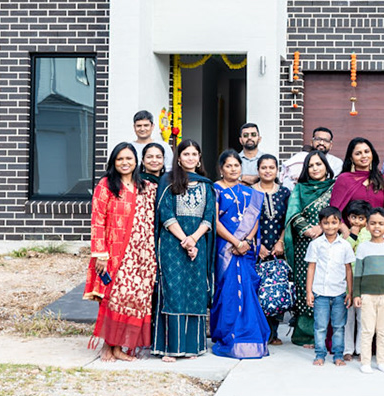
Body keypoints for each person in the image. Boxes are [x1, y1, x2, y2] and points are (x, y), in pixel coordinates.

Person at [86, 143, 153, 360]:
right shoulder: (106, 185)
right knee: (112, 297)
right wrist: (100, 253)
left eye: (129, 158)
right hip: (113, 252)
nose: (125, 163)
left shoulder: (145, 187)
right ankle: (108, 345)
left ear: (136, 161)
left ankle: (120, 347)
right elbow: (97, 220)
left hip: (139, 254)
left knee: (131, 299)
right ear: (113, 162)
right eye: (120, 159)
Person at [154, 141, 217, 357]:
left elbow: (209, 215)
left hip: (198, 245)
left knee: (195, 291)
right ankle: (170, 348)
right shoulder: (168, 181)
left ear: (199, 158)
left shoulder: (206, 185)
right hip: (172, 245)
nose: (190, 158)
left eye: (194, 154)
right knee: (173, 291)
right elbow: (165, 213)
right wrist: (185, 240)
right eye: (186, 154)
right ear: (178, 158)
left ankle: (193, 347)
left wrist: (194, 239)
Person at [209, 152, 268, 358]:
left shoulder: (249, 192)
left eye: (236, 165)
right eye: (228, 166)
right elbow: (215, 222)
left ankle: (248, 334)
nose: (233, 169)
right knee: (227, 290)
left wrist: (247, 241)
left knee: (246, 289)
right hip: (225, 248)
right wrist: (236, 242)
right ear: (221, 169)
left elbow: (255, 220)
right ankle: (227, 333)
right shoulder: (215, 189)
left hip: (245, 249)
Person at [283, 150, 337, 343]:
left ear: (326, 166)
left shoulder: (334, 187)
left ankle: (328, 335)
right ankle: (306, 334)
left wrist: (321, 228)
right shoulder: (300, 188)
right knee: (306, 284)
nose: (315, 168)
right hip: (305, 244)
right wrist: (307, 230)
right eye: (311, 165)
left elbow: (338, 210)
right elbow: (293, 213)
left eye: (318, 164)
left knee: (328, 282)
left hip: (330, 241)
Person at [352, 206, 384, 373]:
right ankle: (365, 362)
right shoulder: (363, 247)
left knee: (382, 331)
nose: (376, 227)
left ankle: (381, 362)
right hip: (367, 296)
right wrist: (357, 294)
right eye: (373, 223)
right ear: (367, 226)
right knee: (367, 330)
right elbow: (358, 274)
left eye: (380, 223)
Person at [303, 207, 354, 365]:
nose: (330, 226)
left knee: (338, 326)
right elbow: (311, 268)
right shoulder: (316, 244)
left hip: (339, 293)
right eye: (326, 223)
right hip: (320, 292)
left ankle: (338, 355)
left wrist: (350, 292)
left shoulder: (345, 245)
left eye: (334, 222)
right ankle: (320, 355)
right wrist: (309, 292)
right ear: (320, 224)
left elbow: (348, 269)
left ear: (339, 224)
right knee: (320, 326)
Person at [251, 153, 291, 343]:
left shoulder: (284, 193)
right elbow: (246, 222)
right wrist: (256, 246)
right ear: (258, 170)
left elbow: (287, 220)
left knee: (276, 288)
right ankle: (260, 331)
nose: (267, 171)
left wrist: (281, 241)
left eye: (271, 167)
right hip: (254, 249)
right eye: (264, 167)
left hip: (277, 249)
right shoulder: (250, 192)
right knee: (257, 289)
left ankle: (274, 333)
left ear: (277, 170)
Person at [332, 137, 384, 217]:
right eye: (358, 153)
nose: (363, 156)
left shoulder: (382, 180)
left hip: (377, 224)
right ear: (351, 158)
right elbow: (334, 212)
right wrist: (346, 226)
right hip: (349, 225)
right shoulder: (344, 179)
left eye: (366, 152)